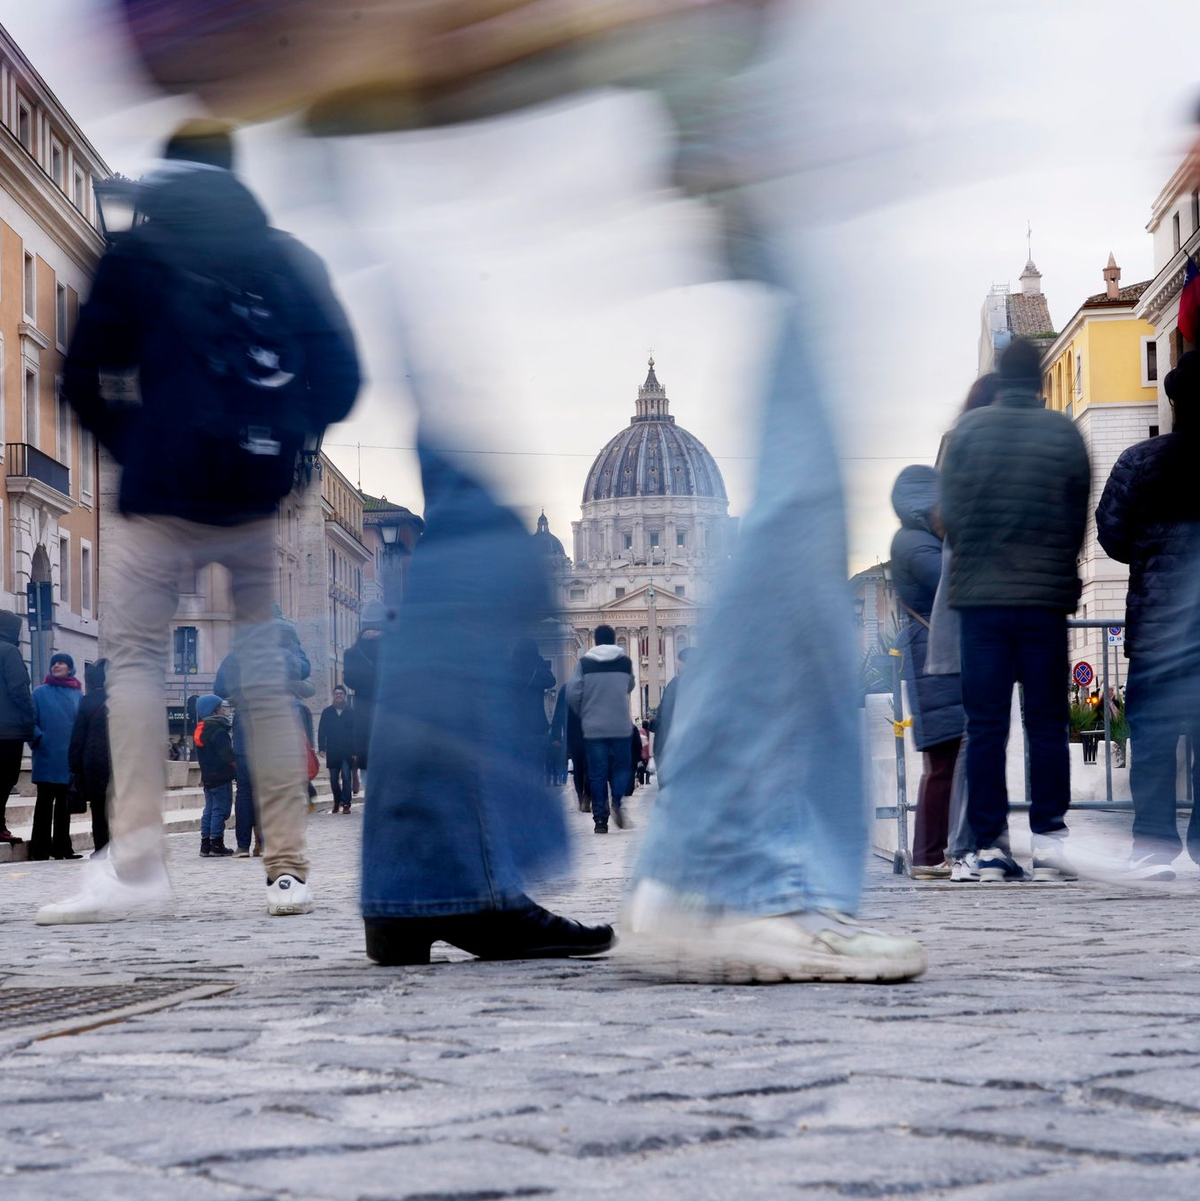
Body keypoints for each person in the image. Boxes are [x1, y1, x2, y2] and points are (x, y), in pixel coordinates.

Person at [41, 119, 359, 923]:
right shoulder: (288, 258)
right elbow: (344, 379)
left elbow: (77, 374)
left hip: (161, 493)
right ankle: (287, 866)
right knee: (263, 681)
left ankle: (140, 858)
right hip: (253, 497)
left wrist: (138, 443)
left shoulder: (140, 251)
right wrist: (291, 446)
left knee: (138, 662)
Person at [940, 337, 1090, 883]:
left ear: (1000, 378)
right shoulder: (1064, 433)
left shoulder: (968, 434)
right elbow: (1078, 517)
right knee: (1047, 723)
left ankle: (989, 847)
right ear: (1041, 381)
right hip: (1043, 601)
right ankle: (1050, 840)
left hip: (981, 603)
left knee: (985, 727)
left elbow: (950, 516)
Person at [1097, 350, 1200, 878]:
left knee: (1155, 741)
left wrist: (1151, 552)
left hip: (1159, 629)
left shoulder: (1140, 461)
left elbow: (1112, 536)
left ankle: (1154, 846)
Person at [927, 373, 1001, 883]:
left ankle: (978, 843)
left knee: (982, 735)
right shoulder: (973, 460)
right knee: (980, 735)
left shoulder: (961, 456)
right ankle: (966, 846)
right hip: (976, 618)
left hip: (978, 615)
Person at [889, 465, 965, 879]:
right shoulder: (915, 544)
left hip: (933, 656)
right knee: (941, 761)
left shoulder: (918, 540)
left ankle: (934, 852)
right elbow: (948, 582)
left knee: (946, 760)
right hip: (932, 659)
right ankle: (929, 854)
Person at [567, 625, 636, 834]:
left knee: (597, 772)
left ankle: (600, 820)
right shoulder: (625, 662)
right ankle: (616, 800)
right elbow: (630, 686)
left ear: (595, 641)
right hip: (620, 725)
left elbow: (572, 694)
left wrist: (585, 712)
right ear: (615, 640)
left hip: (594, 726)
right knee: (622, 767)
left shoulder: (584, 663)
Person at [28, 653, 83, 861]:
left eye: (62, 663)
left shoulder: (77, 694)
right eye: (54, 663)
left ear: (70, 668)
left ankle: (62, 847)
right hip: (46, 756)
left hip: (68, 758)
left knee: (64, 806)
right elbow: (30, 721)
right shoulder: (39, 693)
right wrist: (38, 740)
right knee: (43, 804)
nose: (57, 665)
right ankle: (39, 849)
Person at [68, 660, 112, 856]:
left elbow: (78, 735)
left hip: (94, 763)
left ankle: (101, 848)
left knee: (98, 808)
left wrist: (74, 764)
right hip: (120, 762)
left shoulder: (88, 700)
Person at [0, 610, 34, 845]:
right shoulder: (9, 651)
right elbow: (18, 689)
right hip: (7, 729)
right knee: (5, 778)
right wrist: (30, 717)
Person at [343, 600, 386, 781]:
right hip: (388, 708)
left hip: (363, 710)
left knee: (366, 759)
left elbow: (349, 681)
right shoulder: (392, 649)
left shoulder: (351, 653)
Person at [194, 694, 236, 857]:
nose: (224, 710)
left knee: (209, 810)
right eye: (221, 707)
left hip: (208, 777)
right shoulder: (218, 730)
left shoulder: (201, 729)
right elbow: (227, 755)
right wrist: (236, 768)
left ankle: (205, 844)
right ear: (214, 711)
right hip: (221, 775)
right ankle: (216, 843)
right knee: (221, 809)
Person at [510, 638, 555, 789]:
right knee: (536, 769)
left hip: (515, 727)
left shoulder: (510, 667)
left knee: (517, 767)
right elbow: (551, 680)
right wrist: (539, 661)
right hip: (536, 726)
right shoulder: (537, 669)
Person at [649, 646, 690, 769]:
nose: (676, 665)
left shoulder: (676, 684)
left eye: (678, 662)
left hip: (676, 741)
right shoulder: (708, 684)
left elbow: (665, 714)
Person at [317, 686, 356, 814]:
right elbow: (322, 730)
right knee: (333, 779)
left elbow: (356, 732)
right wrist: (321, 747)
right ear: (334, 696)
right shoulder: (327, 712)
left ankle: (346, 804)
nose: (338, 696)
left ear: (345, 696)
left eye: (341, 693)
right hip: (333, 750)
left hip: (347, 750)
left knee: (346, 777)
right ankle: (336, 801)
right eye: (336, 694)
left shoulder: (351, 712)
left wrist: (356, 751)